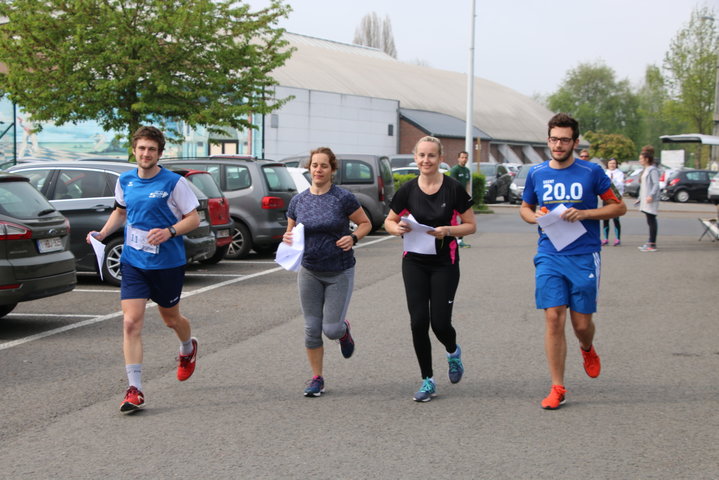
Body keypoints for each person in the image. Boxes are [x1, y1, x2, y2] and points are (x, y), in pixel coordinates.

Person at [87, 126, 200, 414]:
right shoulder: (125, 180)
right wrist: (102, 234)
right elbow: (121, 212)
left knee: (171, 319)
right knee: (130, 323)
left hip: (167, 264)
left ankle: (188, 347)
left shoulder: (174, 183)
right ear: (134, 150)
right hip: (134, 262)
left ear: (159, 153)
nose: (146, 153)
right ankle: (134, 389)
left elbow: (193, 219)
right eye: (141, 148)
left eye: (151, 149)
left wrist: (170, 231)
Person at [519, 113, 626, 410]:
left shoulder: (592, 172)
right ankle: (558, 386)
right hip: (549, 254)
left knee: (581, 325)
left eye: (565, 139)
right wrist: (534, 217)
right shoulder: (537, 173)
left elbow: (619, 207)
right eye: (554, 139)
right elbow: (525, 208)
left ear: (575, 142)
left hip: (583, 255)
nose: (558, 144)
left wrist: (585, 213)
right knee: (553, 318)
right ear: (548, 140)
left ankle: (587, 347)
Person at [384, 136, 476, 402]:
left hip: (444, 262)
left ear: (440, 158)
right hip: (413, 261)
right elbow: (389, 221)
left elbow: (471, 225)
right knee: (418, 322)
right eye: (421, 155)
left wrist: (449, 230)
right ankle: (427, 379)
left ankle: (453, 352)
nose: (426, 160)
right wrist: (396, 228)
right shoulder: (408, 190)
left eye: (431, 156)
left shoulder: (453, 188)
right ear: (415, 158)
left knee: (440, 323)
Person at [283, 147, 371, 397]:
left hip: (339, 271)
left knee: (330, 329)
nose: (318, 170)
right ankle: (316, 378)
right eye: (314, 165)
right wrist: (287, 238)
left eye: (324, 165)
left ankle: (343, 331)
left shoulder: (342, 198)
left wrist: (353, 237)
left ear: (332, 170)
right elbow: (290, 233)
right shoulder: (298, 200)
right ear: (309, 168)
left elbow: (366, 223)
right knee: (311, 328)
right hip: (310, 270)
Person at [637, 146, 660, 252]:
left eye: (641, 158)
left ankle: (652, 243)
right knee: (649, 220)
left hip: (651, 200)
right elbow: (643, 186)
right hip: (645, 199)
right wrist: (640, 198)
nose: (640, 160)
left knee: (651, 220)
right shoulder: (646, 169)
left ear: (646, 159)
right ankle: (650, 242)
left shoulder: (652, 170)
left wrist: (651, 195)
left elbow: (656, 184)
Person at [449, 151, 472, 247]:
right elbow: (452, 184)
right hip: (454, 197)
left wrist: (468, 196)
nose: (464, 159)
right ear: (458, 158)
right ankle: (451, 239)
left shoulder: (467, 170)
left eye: (466, 157)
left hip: (463, 198)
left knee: (465, 219)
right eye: (462, 157)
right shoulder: (455, 169)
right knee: (452, 219)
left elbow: (467, 184)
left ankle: (460, 240)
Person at [602, 158, 625, 246]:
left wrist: (612, 180)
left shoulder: (619, 173)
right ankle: (605, 238)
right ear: (607, 164)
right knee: (605, 218)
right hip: (606, 197)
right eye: (610, 163)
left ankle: (617, 238)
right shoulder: (604, 173)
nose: (612, 165)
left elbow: (620, 185)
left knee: (616, 219)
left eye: (614, 163)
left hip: (615, 197)